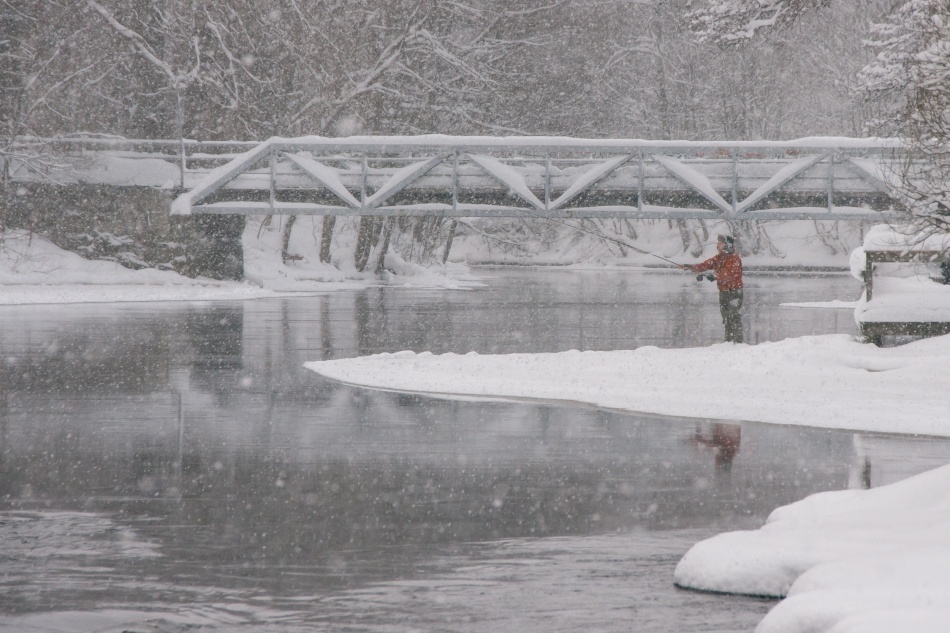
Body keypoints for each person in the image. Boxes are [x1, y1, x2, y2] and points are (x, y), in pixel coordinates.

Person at [681, 234, 744, 343]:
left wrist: (715, 276)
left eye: (720, 243)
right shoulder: (719, 257)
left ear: (727, 245)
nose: (718, 245)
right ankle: (728, 342)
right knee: (726, 317)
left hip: (734, 292)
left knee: (734, 316)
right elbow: (705, 265)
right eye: (718, 243)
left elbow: (729, 274)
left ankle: (738, 342)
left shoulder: (735, 258)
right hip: (723, 292)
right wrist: (690, 267)